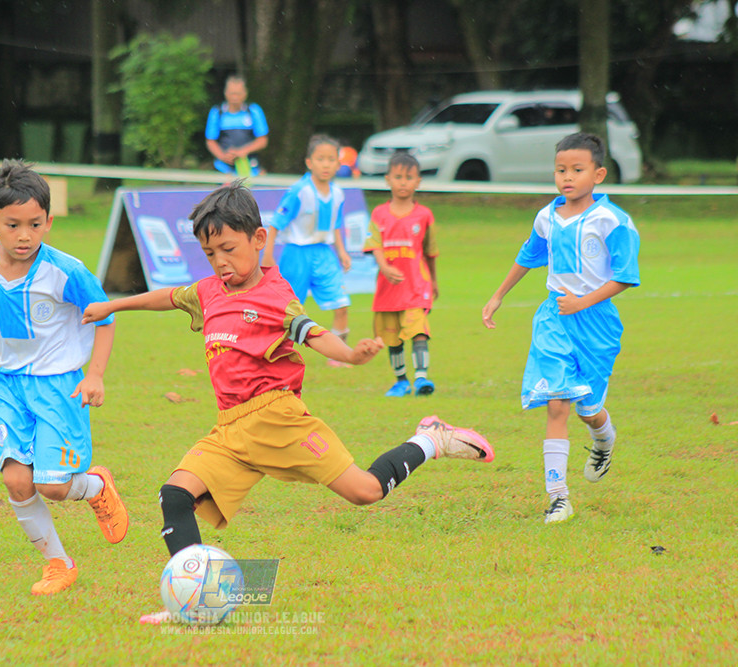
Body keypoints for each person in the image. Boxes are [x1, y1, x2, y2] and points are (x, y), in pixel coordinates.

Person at [80, 181, 494, 624]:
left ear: (259, 239)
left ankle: (431, 439)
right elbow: (168, 296)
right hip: (230, 428)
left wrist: (351, 355)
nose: (220, 262)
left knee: (366, 491)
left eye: (228, 249)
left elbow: (314, 334)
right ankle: (194, 602)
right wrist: (113, 306)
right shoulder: (209, 292)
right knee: (175, 495)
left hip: (279, 419)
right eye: (210, 253)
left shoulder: (276, 298)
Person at [0, 160, 129, 595]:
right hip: (5, 385)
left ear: (49, 222)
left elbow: (105, 318)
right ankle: (58, 564)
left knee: (53, 486)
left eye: (35, 224)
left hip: (59, 386)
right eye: (13, 225)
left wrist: (95, 375)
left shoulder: (65, 270)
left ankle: (96, 487)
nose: (24, 235)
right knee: (16, 480)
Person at [482, 132, 640, 525]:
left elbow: (625, 276)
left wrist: (583, 302)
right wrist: (498, 295)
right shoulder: (546, 217)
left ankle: (603, 439)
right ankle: (558, 498)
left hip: (597, 325)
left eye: (577, 169)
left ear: (598, 174)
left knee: (589, 410)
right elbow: (528, 256)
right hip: (554, 318)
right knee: (556, 402)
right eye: (560, 170)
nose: (567, 177)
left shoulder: (613, 221)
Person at [263, 134, 351, 367]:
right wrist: (268, 255)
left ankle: (338, 356)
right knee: (286, 308)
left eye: (331, 159)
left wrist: (342, 252)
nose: (326, 164)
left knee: (342, 303)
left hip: (324, 254)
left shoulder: (338, 194)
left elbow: (336, 225)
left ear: (338, 164)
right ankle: (275, 352)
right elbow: (276, 223)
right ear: (309, 162)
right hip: (296, 254)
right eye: (320, 159)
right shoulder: (299, 191)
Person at [363, 151, 438, 397]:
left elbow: (430, 252)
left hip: (416, 285)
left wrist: (433, 281)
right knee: (392, 338)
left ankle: (421, 378)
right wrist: (384, 267)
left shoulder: (424, 215)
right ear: (388, 180)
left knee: (418, 330)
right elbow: (374, 244)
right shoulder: (379, 214)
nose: (403, 182)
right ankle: (401, 382)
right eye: (398, 177)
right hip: (388, 289)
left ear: (418, 181)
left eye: (409, 177)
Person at [205, 75, 269, 176]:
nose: (235, 97)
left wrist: (242, 152)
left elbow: (262, 140)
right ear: (225, 93)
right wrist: (223, 157)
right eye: (232, 93)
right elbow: (210, 141)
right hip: (223, 169)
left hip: (250, 168)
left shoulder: (254, 111)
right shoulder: (217, 112)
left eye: (238, 94)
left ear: (245, 94)